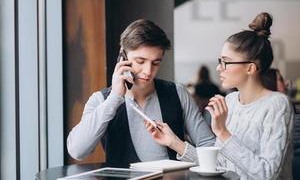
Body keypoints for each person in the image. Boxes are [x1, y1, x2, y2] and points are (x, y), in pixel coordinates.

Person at [145, 13, 294, 179]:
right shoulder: (230, 101)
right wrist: (174, 142)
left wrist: (223, 132)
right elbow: (218, 166)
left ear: (250, 68)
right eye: (219, 60)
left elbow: (267, 174)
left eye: (226, 61)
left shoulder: (277, 104)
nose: (218, 68)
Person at [67, 19, 215, 167]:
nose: (148, 71)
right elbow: (77, 151)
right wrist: (114, 98)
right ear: (122, 56)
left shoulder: (178, 94)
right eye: (140, 61)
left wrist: (176, 144)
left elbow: (212, 152)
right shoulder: (101, 100)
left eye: (156, 63)